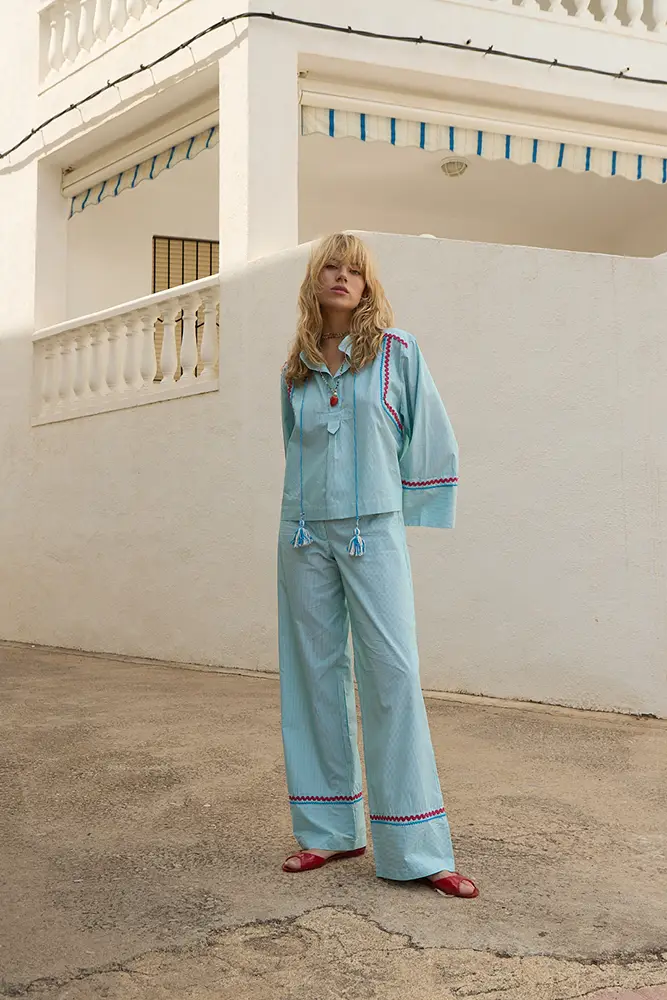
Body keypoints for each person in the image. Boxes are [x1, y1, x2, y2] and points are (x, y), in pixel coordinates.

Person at [277, 233, 478, 899]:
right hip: (303, 533)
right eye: (331, 267)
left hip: (374, 532)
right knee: (313, 674)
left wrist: (412, 507)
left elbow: (430, 429)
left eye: (354, 270)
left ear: (367, 285)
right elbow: (293, 447)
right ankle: (329, 831)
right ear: (315, 281)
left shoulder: (396, 352)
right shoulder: (298, 367)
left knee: (392, 675)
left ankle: (416, 849)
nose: (342, 277)